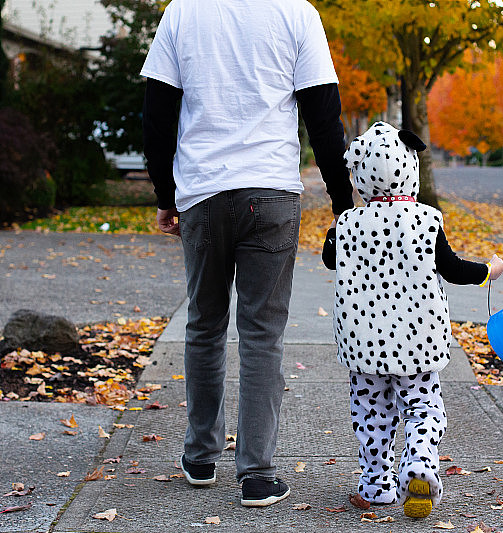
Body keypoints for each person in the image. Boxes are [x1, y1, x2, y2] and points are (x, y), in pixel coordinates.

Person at [140, 0, 354, 507]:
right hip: (272, 192)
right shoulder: (297, 13)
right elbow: (324, 117)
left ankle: (199, 456)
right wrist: (343, 204)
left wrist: (165, 195)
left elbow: (157, 113)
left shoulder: (182, 13)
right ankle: (256, 474)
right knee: (262, 334)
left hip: (203, 193)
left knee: (204, 324)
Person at [321, 122, 503, 518]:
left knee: (371, 411)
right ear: (409, 165)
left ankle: (376, 483)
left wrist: (340, 233)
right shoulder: (426, 219)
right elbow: (452, 268)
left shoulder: (348, 224)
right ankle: (420, 463)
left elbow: (329, 259)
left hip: (363, 343)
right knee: (422, 407)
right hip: (417, 342)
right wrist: (488, 270)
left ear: (361, 176)